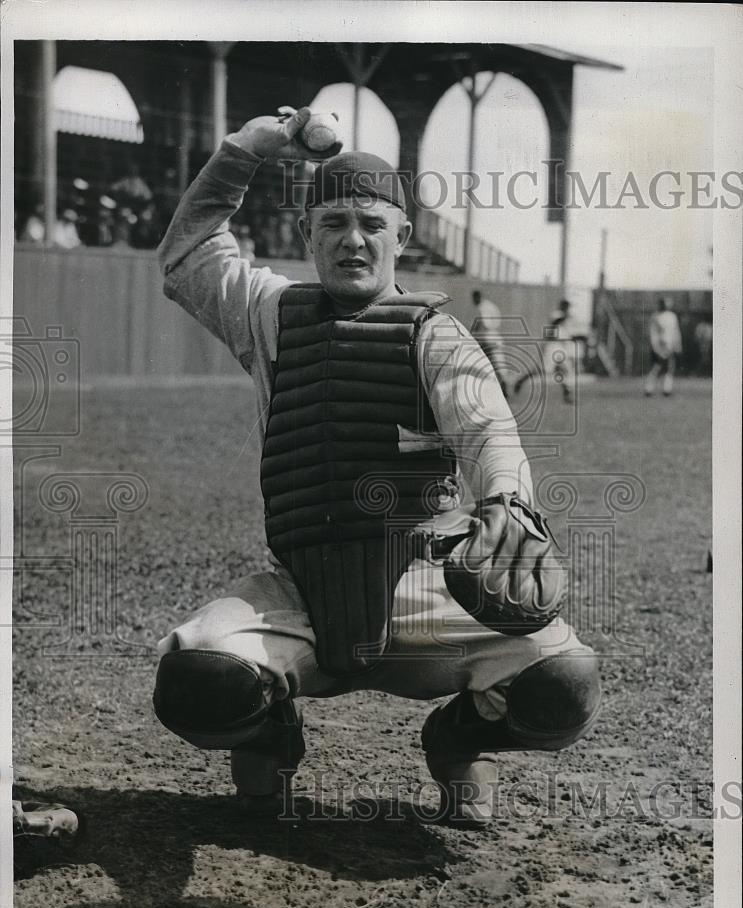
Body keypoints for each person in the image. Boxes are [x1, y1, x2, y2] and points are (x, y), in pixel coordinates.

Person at [153, 106, 601, 827]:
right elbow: (188, 255)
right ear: (308, 234)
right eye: (332, 223)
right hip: (305, 591)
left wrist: (506, 503)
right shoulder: (270, 315)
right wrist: (242, 150)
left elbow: (488, 430)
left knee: (562, 682)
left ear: (402, 235)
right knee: (199, 678)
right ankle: (271, 731)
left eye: (370, 223)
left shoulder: (437, 336)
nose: (352, 239)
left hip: (427, 589)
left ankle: (459, 738)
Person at [512, 298, 576, 404]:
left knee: (564, 370)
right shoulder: (557, 314)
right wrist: (565, 317)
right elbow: (555, 323)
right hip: (553, 346)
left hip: (561, 346)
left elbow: (567, 333)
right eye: (566, 307)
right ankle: (521, 381)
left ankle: (567, 394)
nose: (567, 309)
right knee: (543, 370)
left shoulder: (567, 318)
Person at [471, 290, 509, 399]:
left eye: (474, 298)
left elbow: (485, 323)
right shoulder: (489, 305)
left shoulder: (483, 307)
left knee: (484, 362)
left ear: (477, 297)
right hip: (494, 336)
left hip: (488, 337)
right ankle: (501, 386)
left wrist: (473, 332)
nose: (473, 301)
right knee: (496, 363)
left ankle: (501, 387)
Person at [645, 297, 682, 397]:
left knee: (670, 367)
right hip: (659, 346)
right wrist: (655, 347)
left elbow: (676, 331)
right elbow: (653, 332)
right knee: (656, 367)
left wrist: (678, 344)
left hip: (670, 346)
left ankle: (667, 389)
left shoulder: (672, 316)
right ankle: (648, 389)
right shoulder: (655, 316)